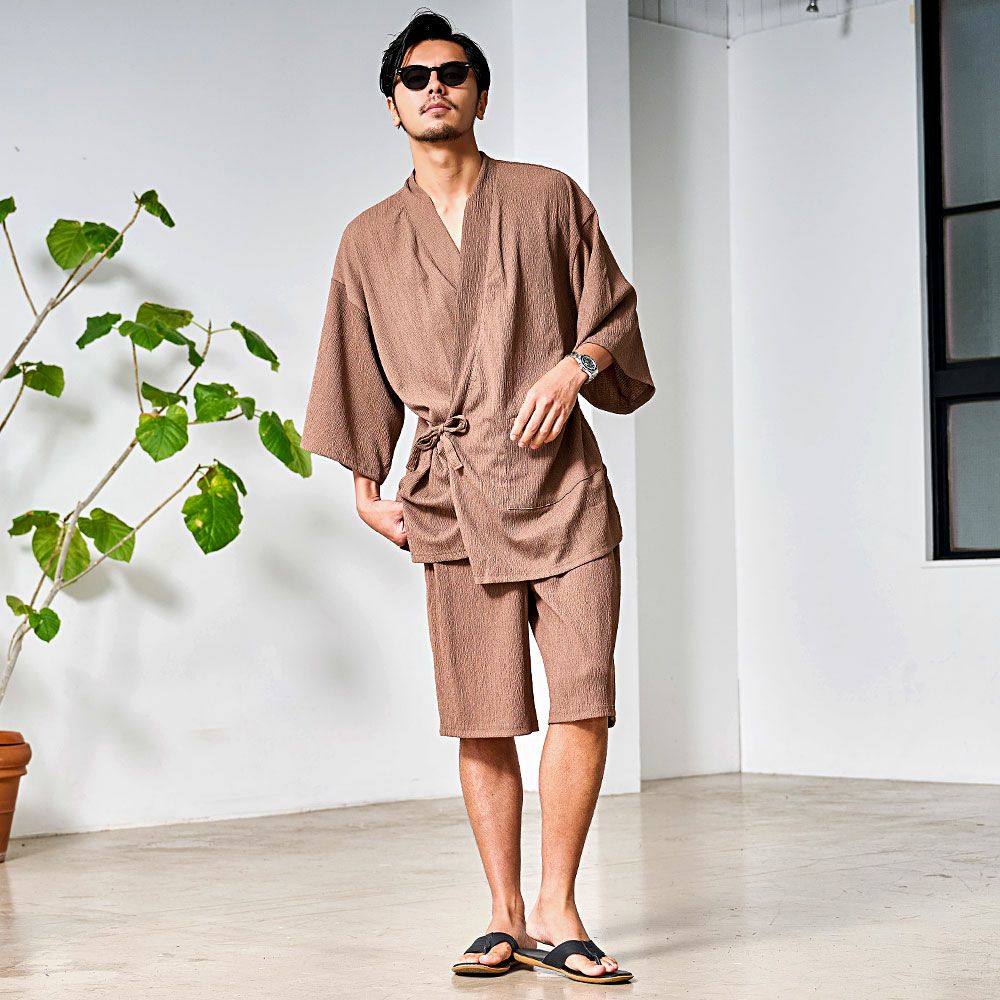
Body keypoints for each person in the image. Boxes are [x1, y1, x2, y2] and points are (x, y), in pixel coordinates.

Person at [300, 9, 654, 985]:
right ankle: (502, 914)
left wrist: (574, 366)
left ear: (481, 95)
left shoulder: (548, 197)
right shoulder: (369, 239)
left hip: (563, 485)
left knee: (584, 695)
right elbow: (351, 365)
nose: (435, 88)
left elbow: (615, 314)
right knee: (482, 711)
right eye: (415, 77)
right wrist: (366, 489)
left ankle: (558, 909)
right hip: (449, 495)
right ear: (392, 104)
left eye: (453, 73)